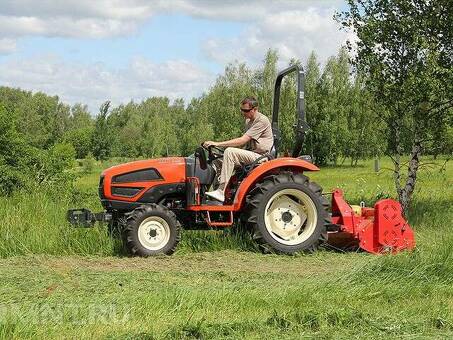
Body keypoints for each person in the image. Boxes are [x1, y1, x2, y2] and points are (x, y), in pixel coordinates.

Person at [203, 97, 274, 202]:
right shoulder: (248, 121)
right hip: (251, 153)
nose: (243, 113)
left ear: (255, 109)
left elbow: (242, 140)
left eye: (246, 110)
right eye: (242, 110)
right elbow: (245, 144)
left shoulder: (262, 120)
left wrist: (217, 143)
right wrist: (216, 147)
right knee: (217, 159)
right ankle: (209, 193)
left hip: (261, 157)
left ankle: (221, 192)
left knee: (230, 152)